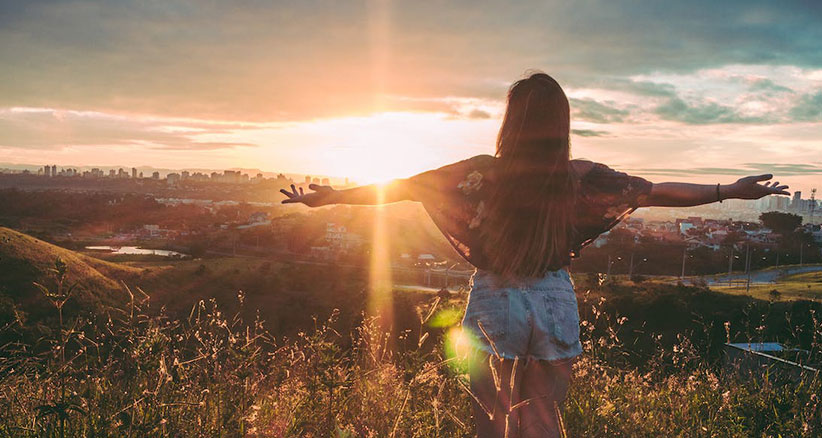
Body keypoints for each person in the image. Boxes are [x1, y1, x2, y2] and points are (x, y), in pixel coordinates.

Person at [280, 72, 789, 437]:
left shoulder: (481, 172)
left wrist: (329, 197)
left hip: (494, 296)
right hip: (553, 299)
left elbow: (402, 188)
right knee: (543, 419)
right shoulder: (579, 176)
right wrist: (728, 189)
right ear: (560, 122)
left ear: (511, 121)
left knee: (493, 421)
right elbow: (656, 191)